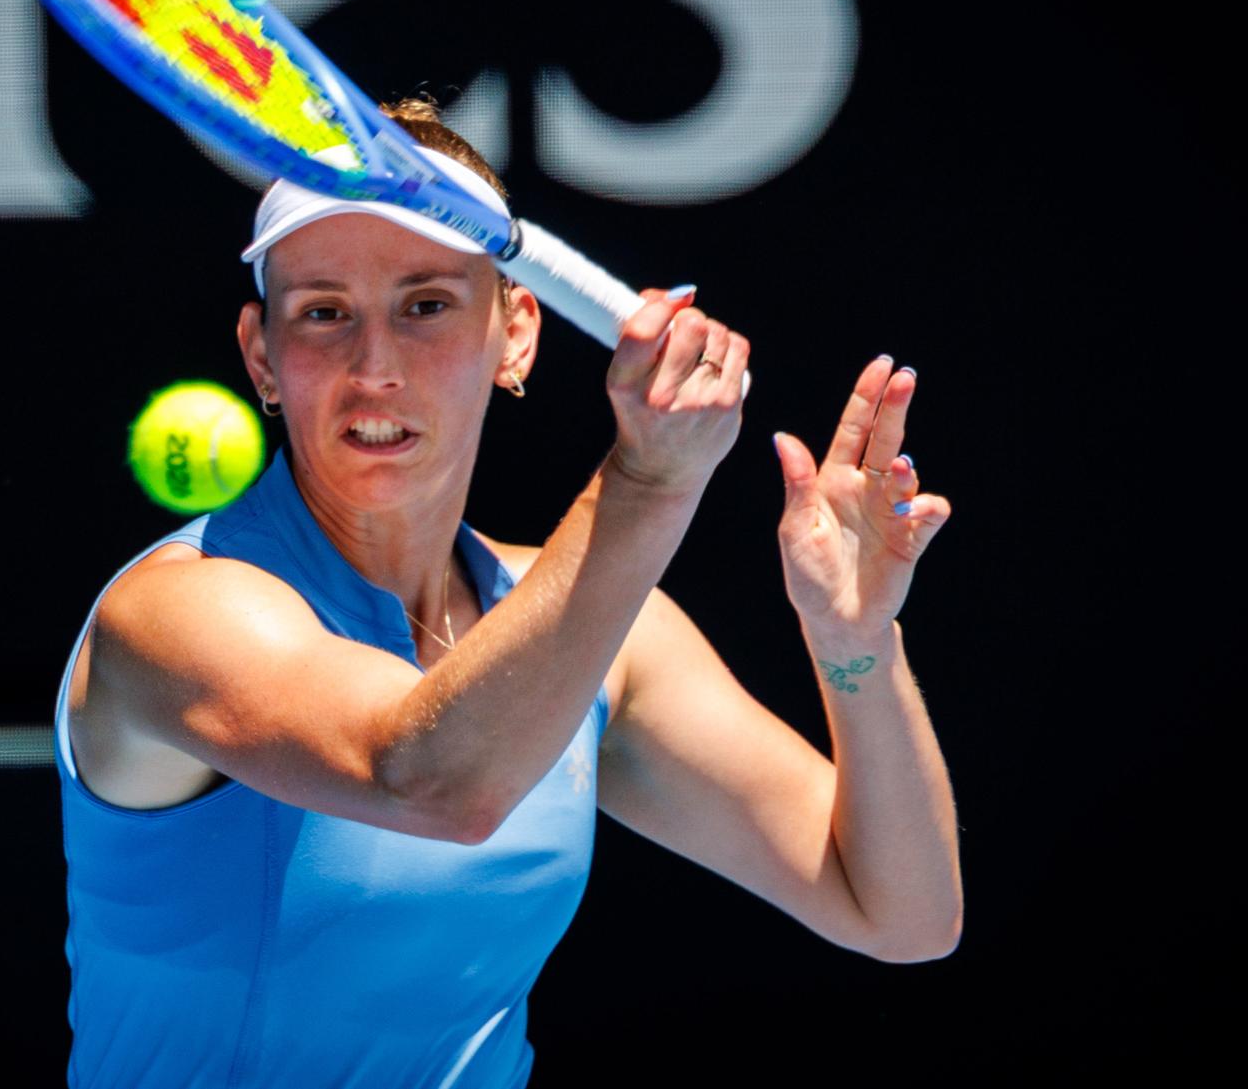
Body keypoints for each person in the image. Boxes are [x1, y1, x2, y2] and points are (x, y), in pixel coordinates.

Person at [51, 98, 961, 1088]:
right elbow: (430, 777)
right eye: (323, 314)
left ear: (516, 332)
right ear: (263, 356)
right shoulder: (179, 615)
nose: (375, 367)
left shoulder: (601, 637)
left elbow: (900, 912)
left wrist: (855, 640)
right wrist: (647, 481)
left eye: (426, 304)